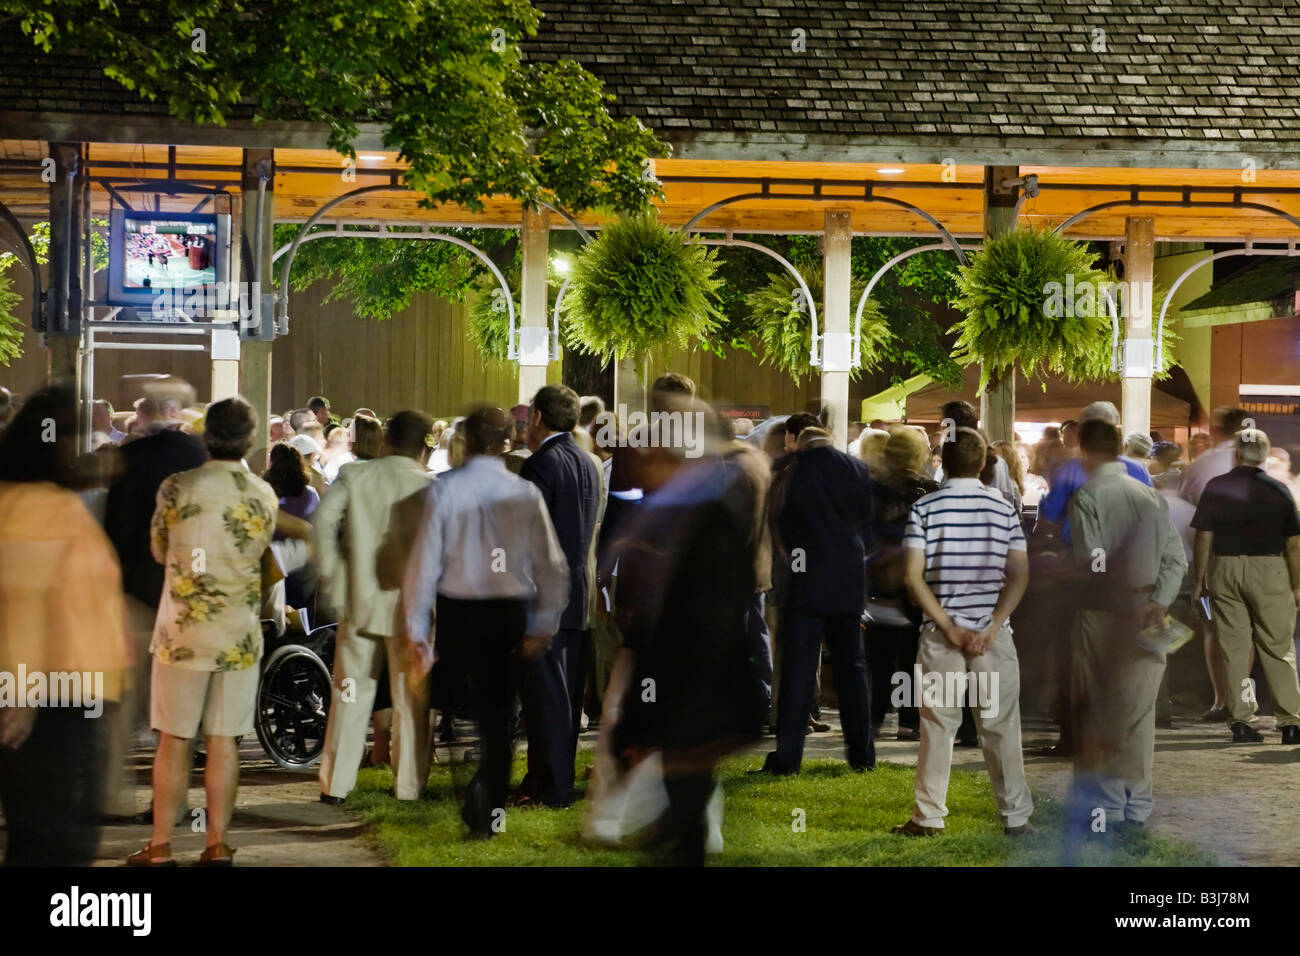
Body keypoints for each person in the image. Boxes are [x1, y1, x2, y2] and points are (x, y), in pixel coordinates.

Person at [595, 399, 764, 864]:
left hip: (692, 693)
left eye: (651, 453)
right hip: (683, 694)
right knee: (681, 812)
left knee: (683, 814)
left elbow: (702, 618)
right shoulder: (683, 511)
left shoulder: (702, 517)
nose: (640, 464)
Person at [402, 406, 569, 838]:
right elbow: (551, 565)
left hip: (460, 611)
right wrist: (543, 622)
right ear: (507, 442)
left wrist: (418, 634)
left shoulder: (445, 490)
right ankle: (489, 807)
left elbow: (423, 566)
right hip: (509, 612)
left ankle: (478, 798)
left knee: (461, 710)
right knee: (499, 719)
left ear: (468, 442)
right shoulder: (524, 493)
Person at [128, 397, 278, 866]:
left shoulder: (177, 487)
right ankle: (216, 844)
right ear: (250, 440)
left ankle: (160, 847)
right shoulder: (262, 494)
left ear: (205, 436)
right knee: (223, 740)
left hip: (182, 633)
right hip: (237, 635)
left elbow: (158, 549)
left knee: (174, 739)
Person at [0, 385, 130, 865]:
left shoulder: (33, 501)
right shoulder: (38, 507)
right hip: (57, 696)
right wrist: (21, 692)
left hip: (65, 692)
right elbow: (24, 600)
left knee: (46, 834)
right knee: (55, 840)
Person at [893, 426, 1032, 837]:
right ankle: (1016, 818)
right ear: (985, 464)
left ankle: (929, 816)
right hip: (993, 636)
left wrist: (949, 625)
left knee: (937, 726)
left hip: (942, 635)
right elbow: (1019, 576)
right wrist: (991, 624)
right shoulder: (1005, 509)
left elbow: (912, 578)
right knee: (1001, 726)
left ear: (942, 461)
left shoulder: (925, 509)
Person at [1067, 419, 1186, 830]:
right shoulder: (1149, 495)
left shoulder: (1087, 495)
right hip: (1149, 607)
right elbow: (1177, 560)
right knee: (1141, 709)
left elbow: (1093, 560)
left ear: (1083, 449)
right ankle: (1138, 805)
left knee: (1102, 706)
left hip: (1104, 613)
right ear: (1118, 446)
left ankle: (1109, 805)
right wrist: (1158, 601)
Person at [316, 411, 436, 802]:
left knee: (349, 692)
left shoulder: (355, 476)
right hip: (412, 606)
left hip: (359, 600)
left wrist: (334, 579)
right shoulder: (432, 486)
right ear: (423, 447)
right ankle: (409, 785)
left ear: (385, 438)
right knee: (411, 700)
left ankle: (336, 783)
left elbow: (322, 525)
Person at [103, 398, 208, 819]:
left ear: (142, 420)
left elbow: (114, 531)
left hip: (135, 594)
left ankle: (109, 795)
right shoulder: (199, 455)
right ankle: (172, 801)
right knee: (176, 709)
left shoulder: (126, 459)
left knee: (119, 701)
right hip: (187, 594)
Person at [761, 425, 874, 775]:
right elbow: (866, 521)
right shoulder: (857, 469)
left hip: (806, 581)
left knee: (798, 670)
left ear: (800, 444)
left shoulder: (794, 471)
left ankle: (788, 758)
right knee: (852, 670)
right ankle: (862, 756)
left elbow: (781, 524)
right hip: (847, 579)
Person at [512, 386, 602, 808]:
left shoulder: (539, 466)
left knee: (542, 700)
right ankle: (553, 783)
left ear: (539, 418)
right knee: (564, 704)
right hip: (577, 595)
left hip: (543, 599)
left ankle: (548, 788)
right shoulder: (589, 463)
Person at [1191, 427, 1300, 745]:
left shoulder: (1217, 486)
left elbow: (1203, 536)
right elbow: (1294, 544)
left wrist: (1200, 581)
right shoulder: (1279, 490)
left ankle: (1241, 721)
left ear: (1236, 454)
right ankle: (1290, 722)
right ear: (1265, 456)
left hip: (1224, 567)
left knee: (1234, 648)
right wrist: (1296, 584)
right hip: (1270, 568)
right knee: (1278, 648)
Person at [866, 425, 939, 741]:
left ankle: (873, 719)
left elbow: (862, 534)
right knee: (913, 656)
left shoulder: (871, 490)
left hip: (878, 581)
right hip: (916, 583)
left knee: (877, 658)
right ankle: (909, 721)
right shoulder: (930, 490)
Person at [1179, 406, 1249, 721]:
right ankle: (1239, 699)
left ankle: (1221, 700)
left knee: (1211, 628)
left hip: (1211, 563)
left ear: (1218, 428)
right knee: (1244, 632)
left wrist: (1198, 578)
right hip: (1252, 561)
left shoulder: (1201, 465)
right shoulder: (1260, 466)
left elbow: (1188, 513)